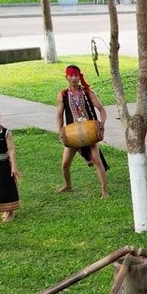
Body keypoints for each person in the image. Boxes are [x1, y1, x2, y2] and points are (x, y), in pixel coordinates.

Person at [55, 65, 112, 197]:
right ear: (66, 77)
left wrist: (101, 124)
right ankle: (68, 185)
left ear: (80, 76)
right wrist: (61, 131)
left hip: (89, 132)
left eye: (76, 75)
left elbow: (102, 110)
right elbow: (59, 115)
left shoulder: (88, 93)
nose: (74, 78)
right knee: (65, 164)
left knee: (97, 160)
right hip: (72, 134)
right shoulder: (63, 95)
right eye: (71, 75)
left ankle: (104, 191)